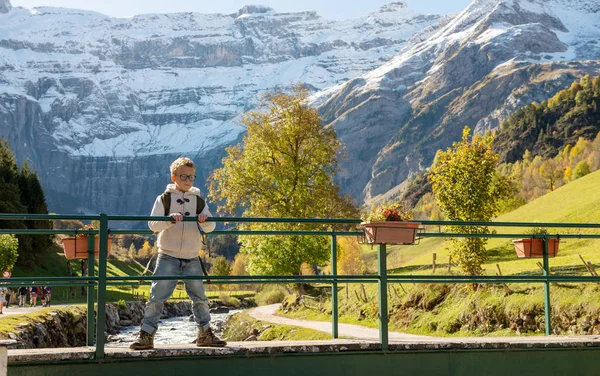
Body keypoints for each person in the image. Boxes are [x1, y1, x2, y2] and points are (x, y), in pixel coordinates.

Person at [130, 157, 225, 350]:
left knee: (200, 298)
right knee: (157, 296)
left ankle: (205, 333)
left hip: (192, 256)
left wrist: (204, 221)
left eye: (191, 177)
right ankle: (146, 335)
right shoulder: (164, 199)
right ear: (174, 177)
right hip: (168, 255)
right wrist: (169, 220)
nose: (188, 180)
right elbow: (153, 224)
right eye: (183, 176)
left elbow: (211, 227)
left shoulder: (198, 201)